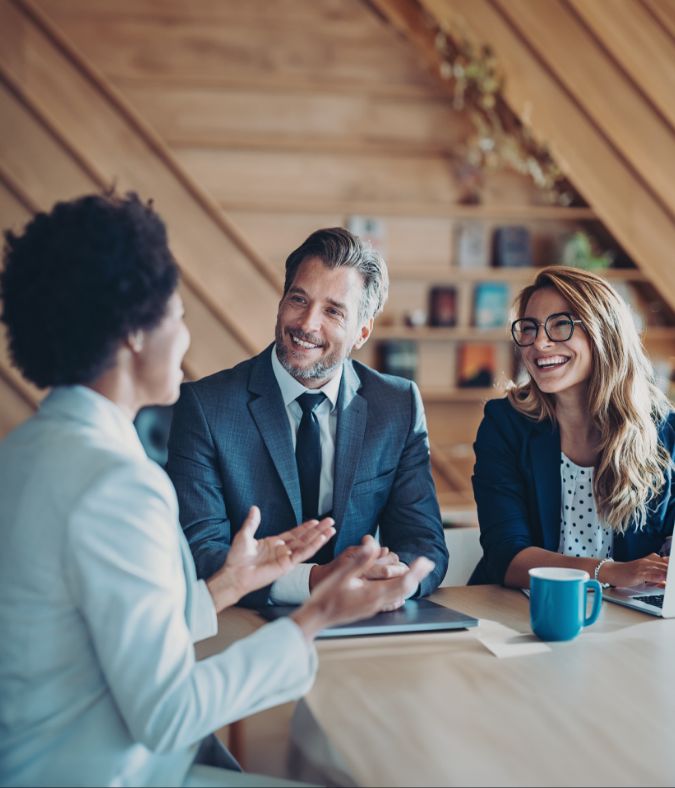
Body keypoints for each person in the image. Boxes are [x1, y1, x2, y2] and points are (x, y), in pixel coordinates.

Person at [0, 193, 433, 788]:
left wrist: (231, 582)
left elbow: (117, 633)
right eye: (176, 315)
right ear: (133, 332)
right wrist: (316, 614)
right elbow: (167, 713)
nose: (183, 337)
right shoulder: (118, 487)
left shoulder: (23, 452)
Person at [166, 227, 448, 609]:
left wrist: (393, 579)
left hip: (364, 622)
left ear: (361, 332)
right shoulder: (206, 406)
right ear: (281, 302)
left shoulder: (397, 405)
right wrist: (316, 581)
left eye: (333, 311)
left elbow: (424, 541)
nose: (307, 324)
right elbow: (200, 552)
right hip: (244, 622)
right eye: (299, 299)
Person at [470, 265, 674, 588]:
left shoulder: (663, 430)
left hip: (630, 620)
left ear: (604, 333)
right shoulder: (505, 424)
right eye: (529, 328)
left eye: (561, 325)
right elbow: (506, 555)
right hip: (521, 613)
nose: (539, 343)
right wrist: (608, 572)